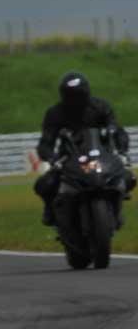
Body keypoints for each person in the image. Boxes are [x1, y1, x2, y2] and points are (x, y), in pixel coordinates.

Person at [34, 72, 134, 226]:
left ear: (86, 93)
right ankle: (50, 209)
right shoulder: (55, 114)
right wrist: (52, 158)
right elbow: (46, 142)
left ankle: (116, 207)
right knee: (45, 184)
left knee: (128, 178)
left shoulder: (101, 107)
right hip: (68, 159)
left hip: (101, 156)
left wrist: (122, 151)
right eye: (71, 96)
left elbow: (117, 130)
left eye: (79, 96)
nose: (76, 101)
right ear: (64, 96)